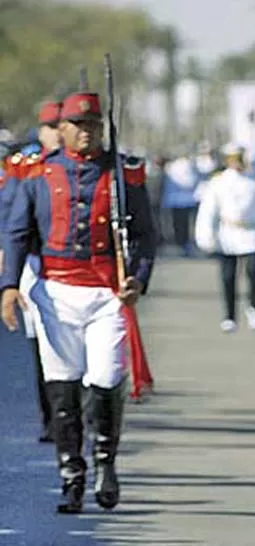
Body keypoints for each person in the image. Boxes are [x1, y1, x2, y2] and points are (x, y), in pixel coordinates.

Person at [0, 91, 156, 514]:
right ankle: (71, 475)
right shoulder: (38, 173)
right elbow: (16, 232)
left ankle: (106, 463)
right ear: (61, 129)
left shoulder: (123, 174)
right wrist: (8, 286)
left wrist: (137, 280)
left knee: (106, 380)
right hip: (56, 293)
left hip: (107, 293)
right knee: (63, 388)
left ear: (101, 129)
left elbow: (144, 235)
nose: (85, 133)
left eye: (92, 126)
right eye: (77, 125)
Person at [0, 100, 63, 443]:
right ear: (41, 131)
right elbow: (9, 214)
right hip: (35, 262)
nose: (57, 133)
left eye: (62, 125)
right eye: (51, 127)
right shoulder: (25, 166)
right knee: (42, 342)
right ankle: (52, 417)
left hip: (78, 265)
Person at [194, 144, 255, 333]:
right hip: (227, 233)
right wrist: (206, 235)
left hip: (251, 233)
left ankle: (254, 308)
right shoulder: (218, 182)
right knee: (228, 276)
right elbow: (208, 211)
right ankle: (229, 315)